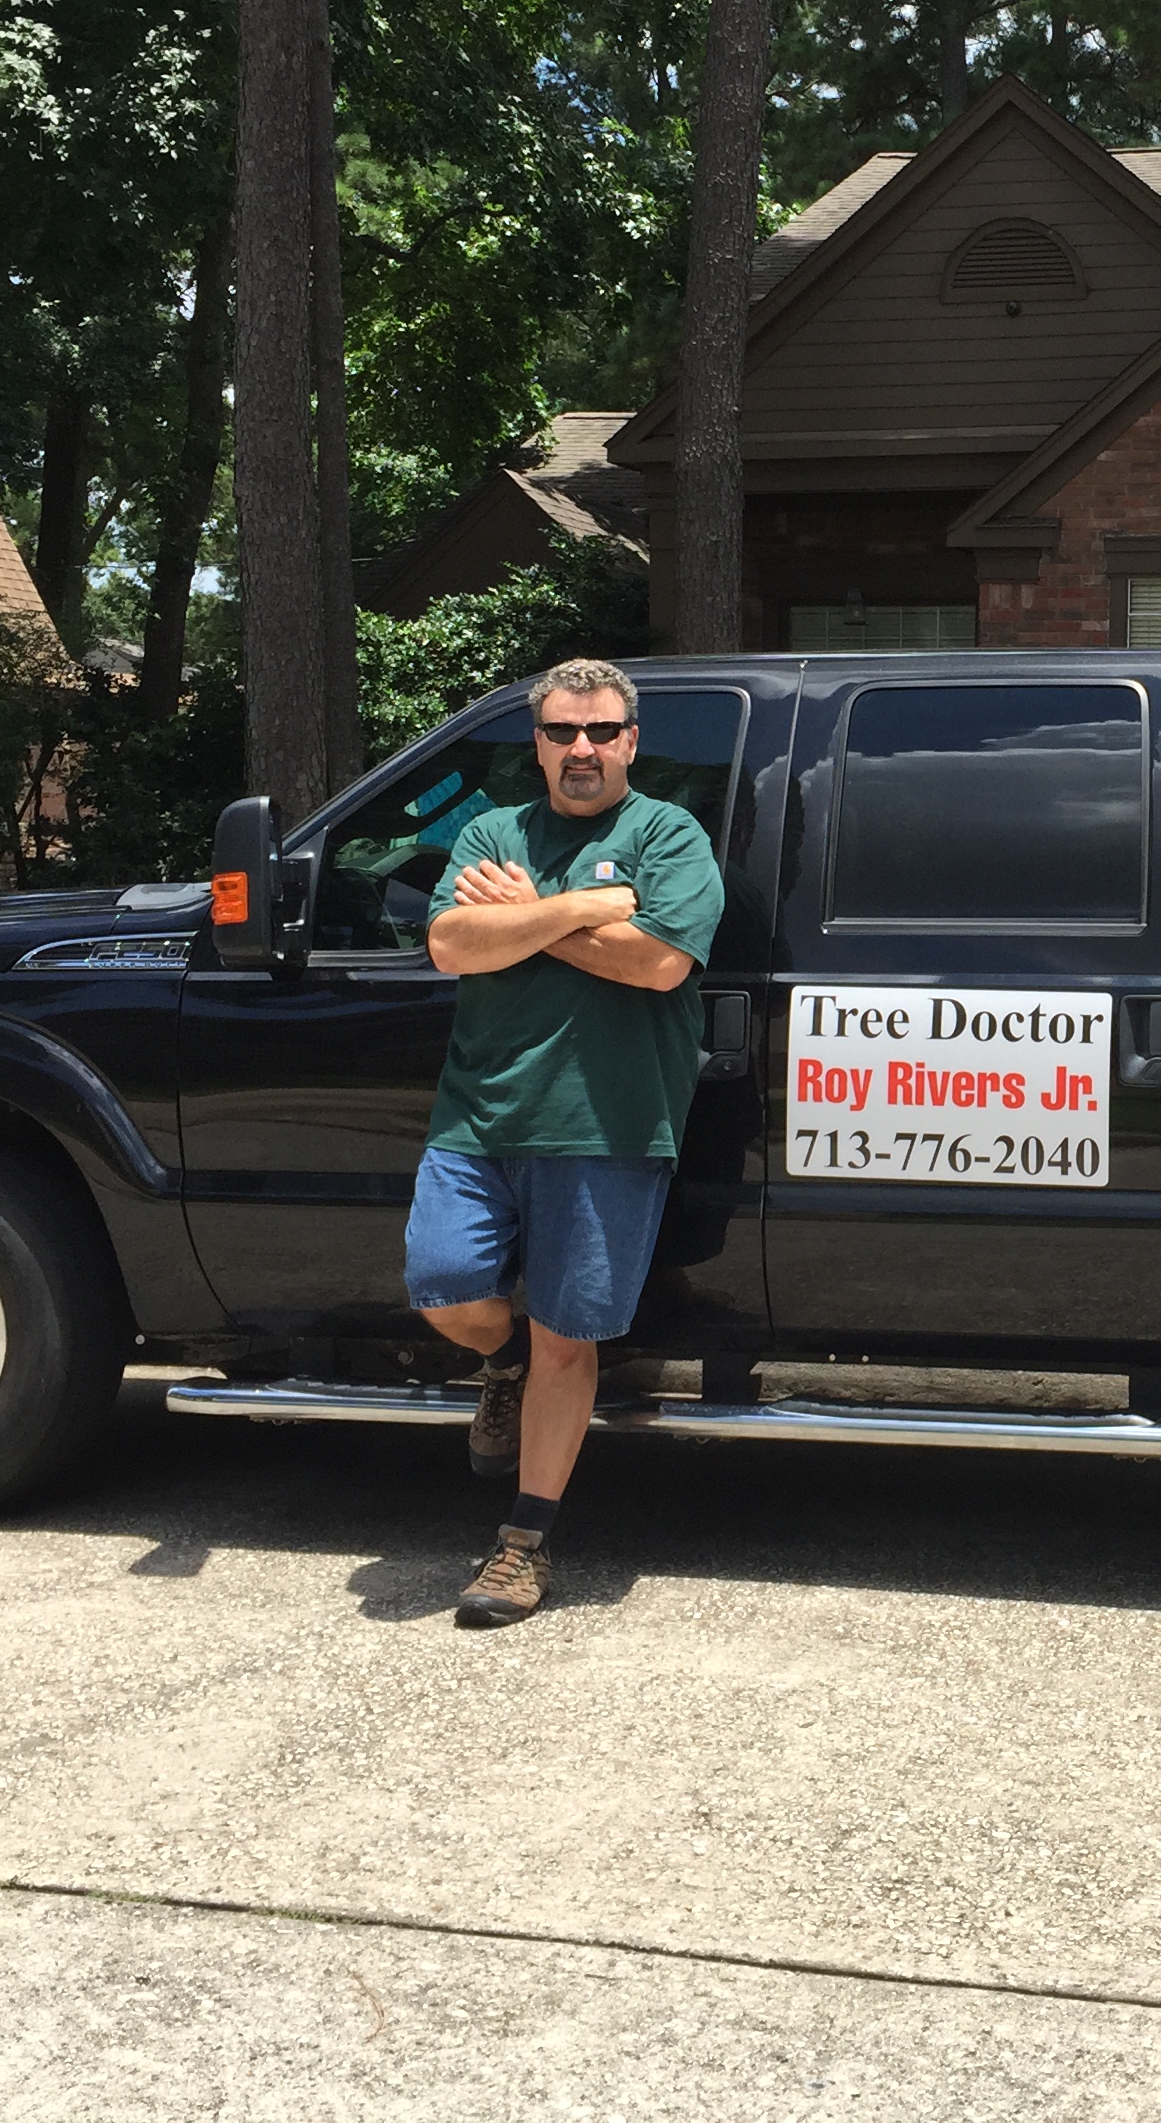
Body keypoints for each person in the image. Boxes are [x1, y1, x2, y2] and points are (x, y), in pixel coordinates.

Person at [405, 657, 726, 1626]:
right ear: (537, 742)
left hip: (609, 1125)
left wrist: (523, 918)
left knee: (566, 1338)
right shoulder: (494, 830)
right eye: (560, 732)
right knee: (449, 1291)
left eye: (598, 731)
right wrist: (588, 906)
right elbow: (453, 945)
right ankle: (494, 1367)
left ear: (630, 740)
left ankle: (522, 1543)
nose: (579, 748)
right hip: (479, 1119)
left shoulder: (668, 834)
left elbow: (662, 964)